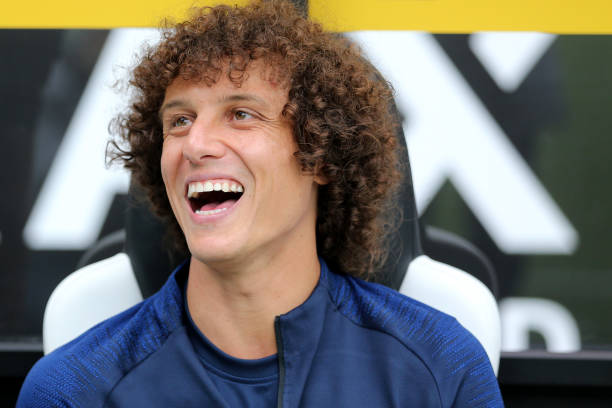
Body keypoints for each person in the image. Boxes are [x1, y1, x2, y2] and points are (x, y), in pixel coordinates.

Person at [18, 1, 503, 406]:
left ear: (321, 154)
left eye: (241, 114)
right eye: (179, 121)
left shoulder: (442, 369)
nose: (196, 144)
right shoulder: (72, 389)